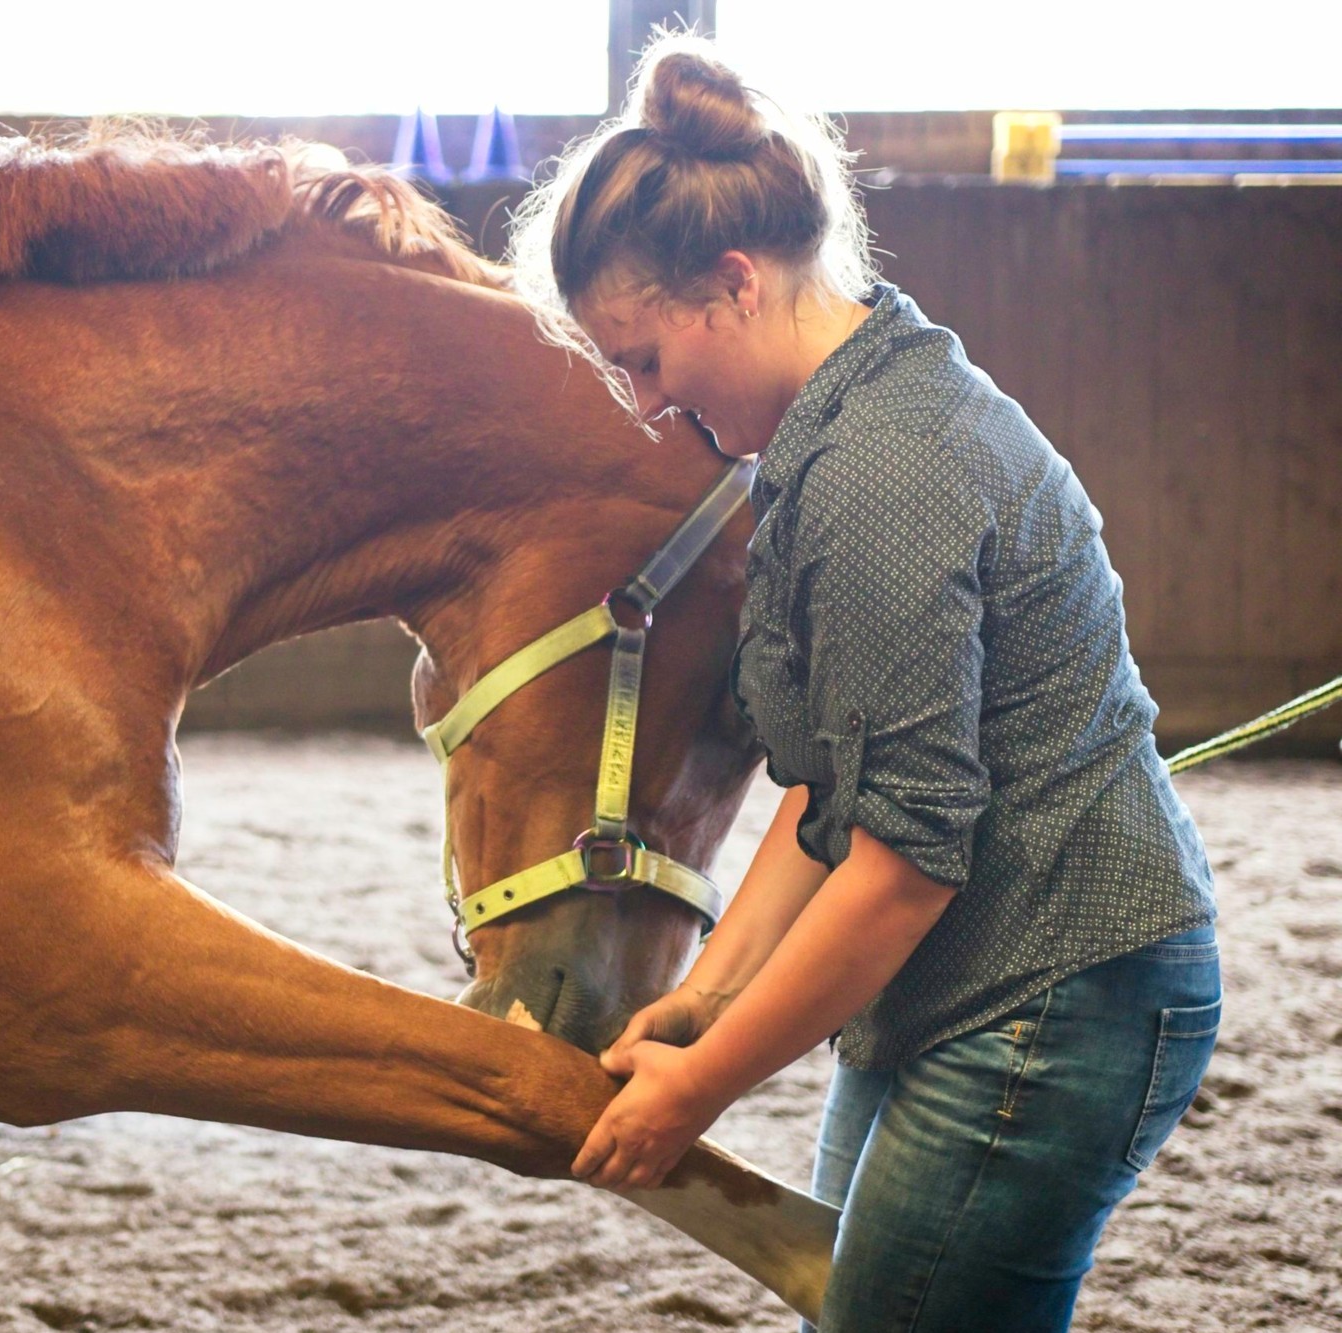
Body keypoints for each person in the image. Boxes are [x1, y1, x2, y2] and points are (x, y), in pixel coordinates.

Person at [508, 30, 1221, 1332]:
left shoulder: (880, 471)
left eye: (645, 357)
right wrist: (706, 996)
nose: (645, 401)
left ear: (734, 283)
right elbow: (831, 791)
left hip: (1055, 992)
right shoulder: (849, 414)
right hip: (974, 977)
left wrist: (701, 1086)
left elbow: (903, 865)